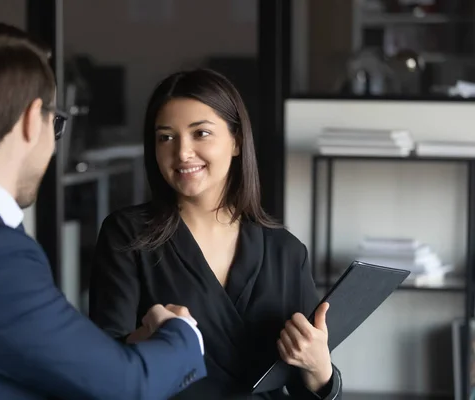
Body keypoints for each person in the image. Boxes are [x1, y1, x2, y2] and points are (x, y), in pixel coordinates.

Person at [0, 21, 207, 400]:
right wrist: (182, 334)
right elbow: (128, 387)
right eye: (57, 122)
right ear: (34, 120)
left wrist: (128, 350)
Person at [88, 68, 343, 399]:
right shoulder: (127, 235)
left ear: (236, 141)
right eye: (166, 137)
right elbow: (104, 363)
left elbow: (302, 385)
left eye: (201, 134)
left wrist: (320, 369)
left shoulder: (286, 251)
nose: (181, 152)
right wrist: (154, 337)